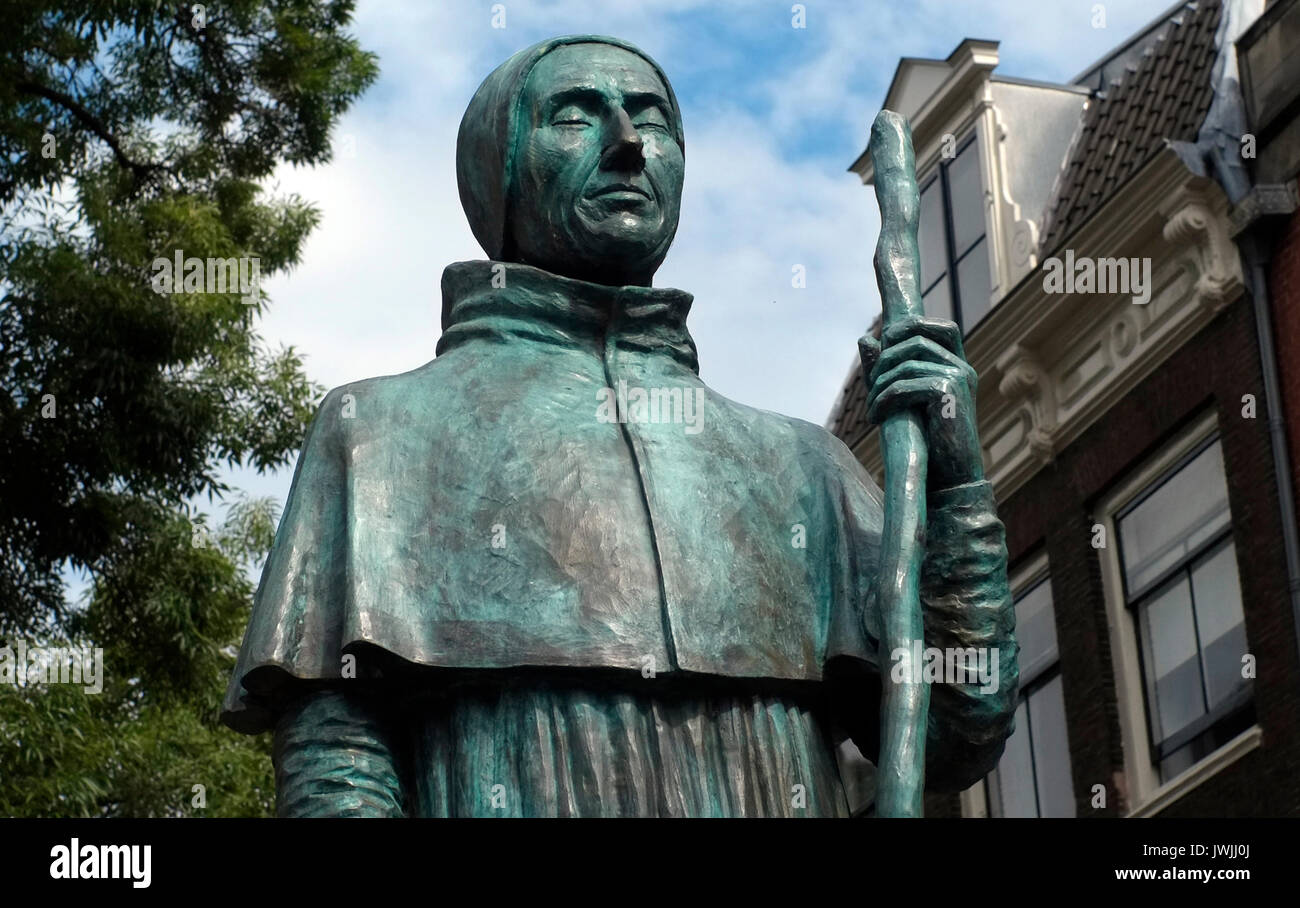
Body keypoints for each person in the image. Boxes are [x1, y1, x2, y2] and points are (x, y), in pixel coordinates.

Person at [221, 34, 1018, 817]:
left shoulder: (803, 466)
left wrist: (959, 487)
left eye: (653, 119)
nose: (630, 145)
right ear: (496, 171)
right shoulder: (380, 433)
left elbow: (951, 736)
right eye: (576, 117)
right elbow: (336, 754)